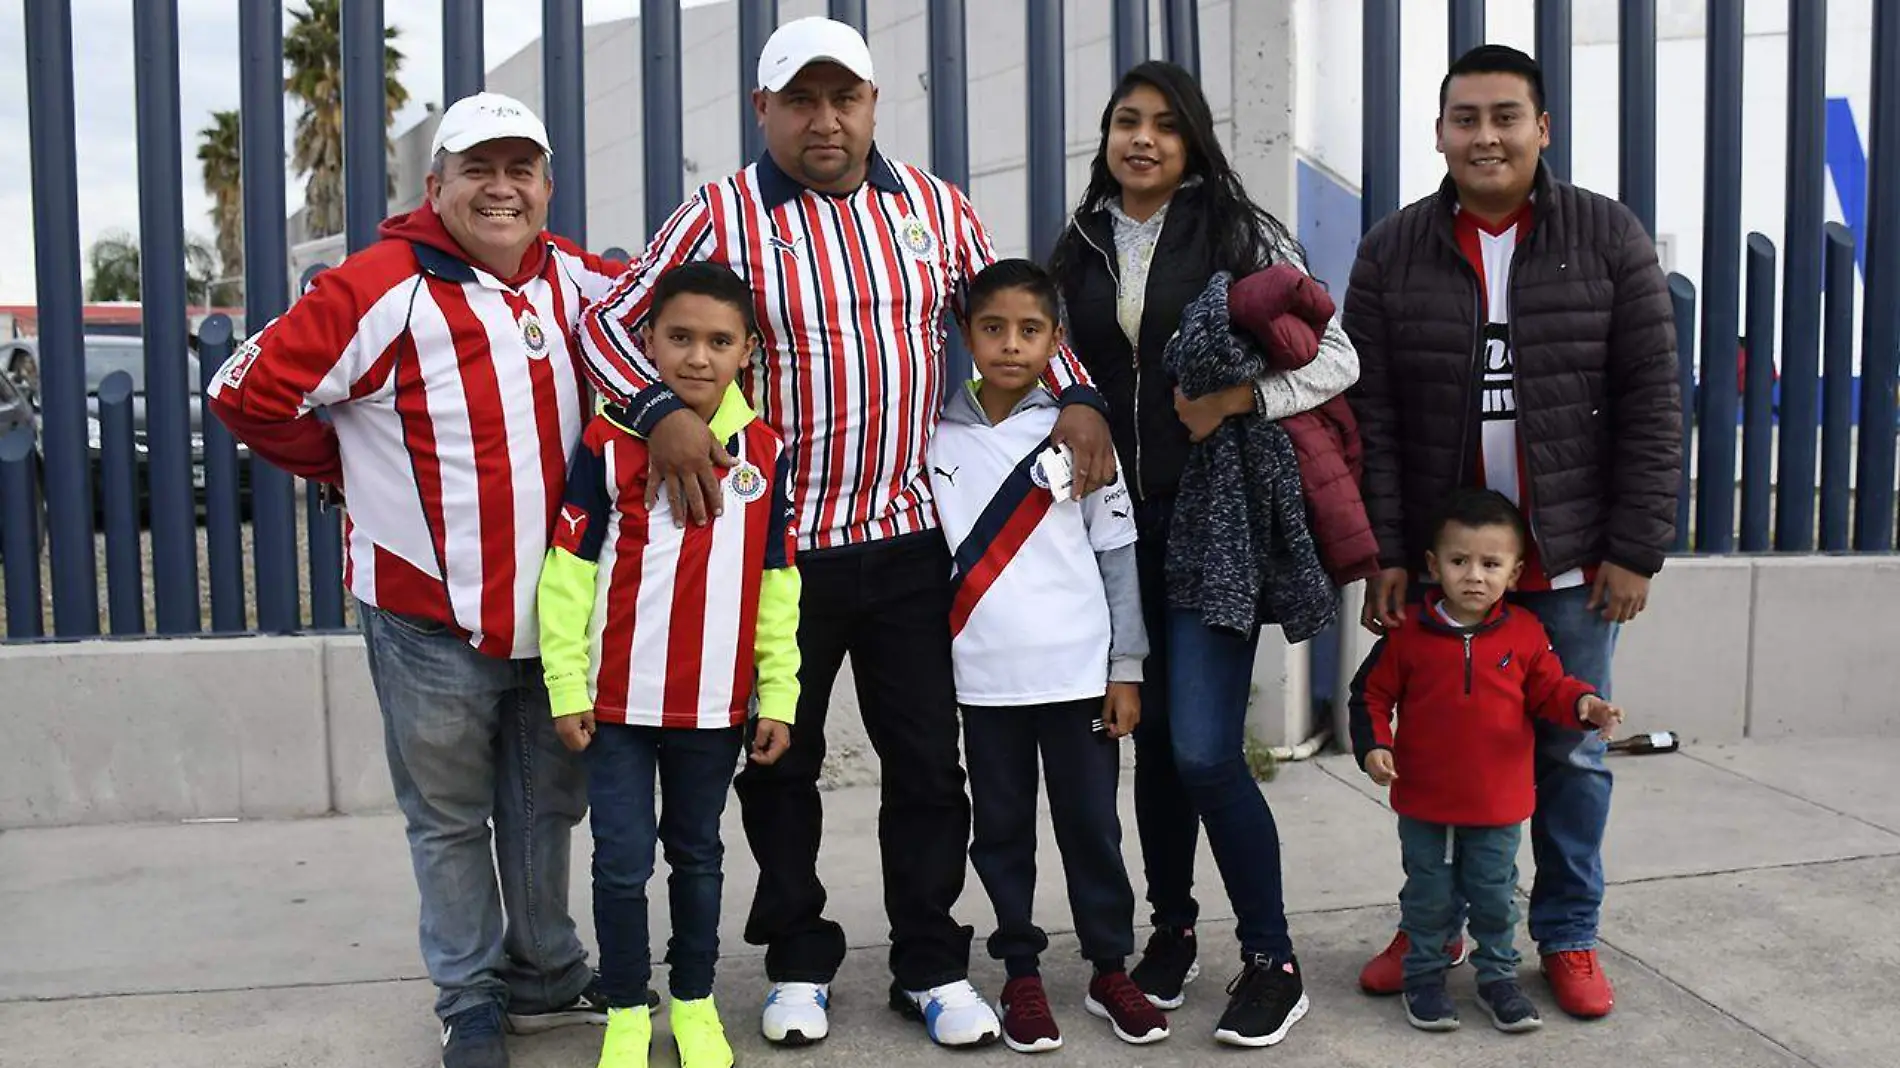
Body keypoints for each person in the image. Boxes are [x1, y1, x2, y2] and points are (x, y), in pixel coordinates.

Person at [578, 16, 1117, 1050]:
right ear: (762, 111)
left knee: (927, 766)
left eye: (846, 98)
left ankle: (926, 961)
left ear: (874, 103)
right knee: (781, 762)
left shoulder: (932, 208)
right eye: (802, 100)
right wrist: (663, 412)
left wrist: (1080, 395)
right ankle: (797, 957)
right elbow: (605, 323)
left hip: (913, 539)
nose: (826, 120)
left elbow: (1010, 316)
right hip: (778, 551)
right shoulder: (720, 214)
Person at [208, 93, 630, 1068]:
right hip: (427, 619)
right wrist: (340, 466)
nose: (501, 187)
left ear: (547, 186)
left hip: (563, 622)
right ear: (435, 185)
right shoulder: (377, 285)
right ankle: (467, 995)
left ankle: (544, 973)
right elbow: (244, 390)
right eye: (477, 169)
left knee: (545, 806)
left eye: (520, 168)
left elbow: (691, 347)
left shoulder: (589, 283)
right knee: (446, 819)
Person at [1342, 44, 1681, 1019]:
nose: (1483, 135)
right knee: (1442, 747)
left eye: (1504, 116)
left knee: (1569, 752)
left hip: (1571, 560)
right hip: (1447, 572)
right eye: (1464, 118)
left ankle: (1566, 933)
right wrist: (1390, 556)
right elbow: (1375, 423)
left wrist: (1634, 547)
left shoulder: (1605, 236)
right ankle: (1435, 919)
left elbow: (1651, 403)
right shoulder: (1393, 249)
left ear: (1542, 127)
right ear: (1440, 131)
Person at [1047, 60, 1359, 1048]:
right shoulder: (1080, 243)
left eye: (1163, 126)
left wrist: (1240, 399)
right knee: (1150, 750)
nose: (1141, 139)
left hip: (1211, 519)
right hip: (1112, 528)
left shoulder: (1234, 232)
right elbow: (1059, 361)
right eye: (1125, 122)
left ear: (1191, 142)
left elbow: (1336, 358)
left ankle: (1273, 958)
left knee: (1204, 749)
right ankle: (1172, 933)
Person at [539, 262, 800, 1068]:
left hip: (713, 709)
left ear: (747, 351)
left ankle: (692, 1003)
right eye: (679, 337)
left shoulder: (765, 452)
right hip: (613, 706)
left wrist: (778, 695)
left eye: (719, 342)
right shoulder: (608, 441)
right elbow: (567, 570)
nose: (696, 357)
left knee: (699, 858)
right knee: (621, 864)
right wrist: (564, 682)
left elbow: (777, 583)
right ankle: (625, 1010)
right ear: (647, 340)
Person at [927, 260, 1168, 1054]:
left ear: (1055, 341)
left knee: (1092, 828)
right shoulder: (933, 434)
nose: (1009, 345)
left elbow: (1117, 551)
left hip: (1077, 679)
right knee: (1000, 833)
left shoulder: (1078, 432)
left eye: (1030, 330)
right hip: (984, 683)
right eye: (992, 328)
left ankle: (1108, 968)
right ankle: (1020, 972)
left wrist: (1124, 668)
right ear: (966, 335)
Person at [1349, 488, 1625, 1034]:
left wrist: (1586, 704)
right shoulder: (1409, 634)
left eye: (1490, 564)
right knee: (1427, 896)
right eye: (1459, 561)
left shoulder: (1525, 634)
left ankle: (1498, 980)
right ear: (1433, 565)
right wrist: (1374, 744)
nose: (1474, 576)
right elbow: (1371, 695)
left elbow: (1553, 689)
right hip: (1426, 802)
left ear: (1516, 573)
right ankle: (1424, 977)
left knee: (1496, 899)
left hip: (1497, 805)